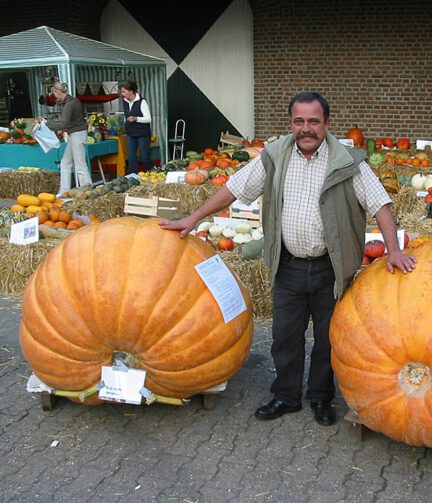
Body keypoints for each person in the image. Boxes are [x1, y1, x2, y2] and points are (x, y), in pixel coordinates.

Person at [160, 91, 416, 426]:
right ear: (290, 123)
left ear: (327, 123)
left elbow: (380, 204)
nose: (306, 128)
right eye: (299, 121)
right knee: (284, 337)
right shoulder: (275, 156)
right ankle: (286, 396)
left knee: (328, 339)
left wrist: (393, 250)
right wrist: (193, 218)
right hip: (289, 265)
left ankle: (322, 398)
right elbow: (234, 188)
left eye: (313, 121)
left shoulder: (348, 161)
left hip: (331, 268)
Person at [45, 82, 91, 194]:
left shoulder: (69, 104)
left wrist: (46, 125)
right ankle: (64, 191)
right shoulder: (72, 101)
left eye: (54, 93)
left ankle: (87, 191)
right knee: (65, 162)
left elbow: (63, 124)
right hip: (76, 134)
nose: (54, 96)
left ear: (58, 92)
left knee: (80, 164)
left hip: (77, 134)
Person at [119, 80, 153, 174]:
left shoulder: (142, 102)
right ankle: (133, 176)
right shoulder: (125, 101)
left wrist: (136, 118)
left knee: (145, 157)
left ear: (131, 91)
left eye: (124, 91)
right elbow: (126, 116)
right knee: (131, 157)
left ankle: (154, 172)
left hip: (143, 133)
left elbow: (148, 119)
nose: (122, 94)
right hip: (131, 133)